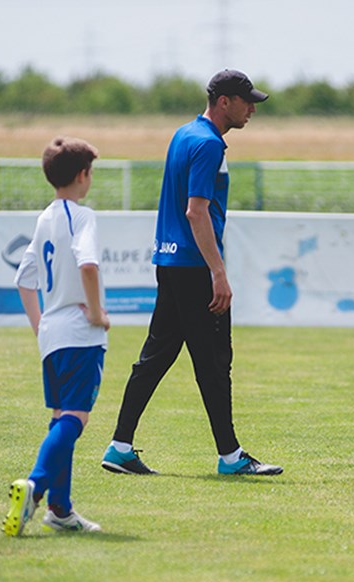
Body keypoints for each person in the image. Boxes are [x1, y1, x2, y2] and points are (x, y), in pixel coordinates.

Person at [101, 69, 282, 477]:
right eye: (246, 101)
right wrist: (218, 272)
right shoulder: (207, 145)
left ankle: (119, 447)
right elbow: (195, 211)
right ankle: (231, 457)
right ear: (224, 102)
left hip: (170, 263)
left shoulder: (184, 134)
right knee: (214, 361)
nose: (252, 109)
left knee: (155, 358)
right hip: (195, 268)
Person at [4, 137, 108, 537]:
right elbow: (88, 264)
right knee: (75, 420)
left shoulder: (45, 217)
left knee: (59, 419)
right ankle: (34, 486)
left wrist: (40, 326)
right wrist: (97, 313)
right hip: (80, 335)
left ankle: (60, 510)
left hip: (52, 334)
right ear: (83, 175)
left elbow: (24, 280)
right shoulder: (82, 217)